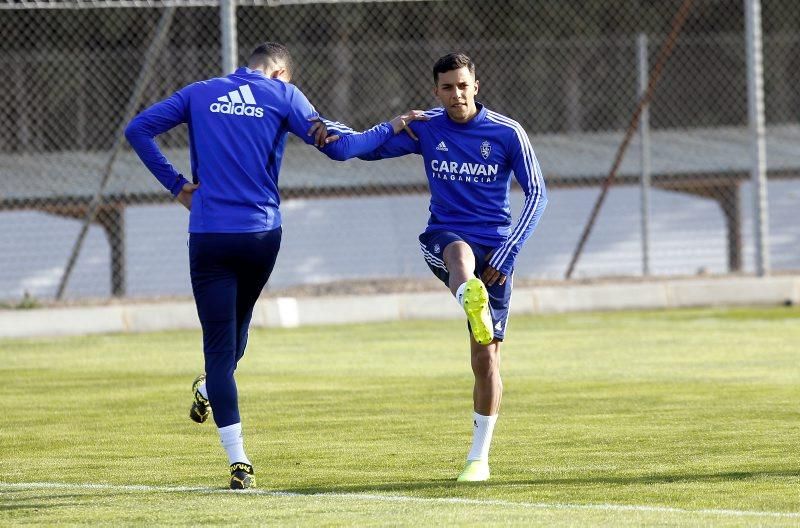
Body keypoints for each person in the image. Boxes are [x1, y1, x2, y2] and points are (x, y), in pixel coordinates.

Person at [125, 42, 426, 489]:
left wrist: (176, 186)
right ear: (282, 71)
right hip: (261, 236)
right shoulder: (285, 96)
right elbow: (341, 149)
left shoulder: (199, 92)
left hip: (209, 234)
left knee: (222, 346)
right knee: (233, 339)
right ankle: (236, 453)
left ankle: (219, 411)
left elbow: (137, 130)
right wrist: (392, 124)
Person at [355, 52, 548, 481]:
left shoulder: (507, 132)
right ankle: (468, 294)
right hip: (444, 236)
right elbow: (365, 152)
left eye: (463, 85)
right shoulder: (428, 128)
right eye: (447, 87)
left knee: (486, 360)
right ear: (436, 91)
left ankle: (478, 458)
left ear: (476, 85)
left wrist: (507, 253)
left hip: (496, 251)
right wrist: (390, 124)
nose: (456, 94)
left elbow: (537, 194)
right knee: (458, 253)